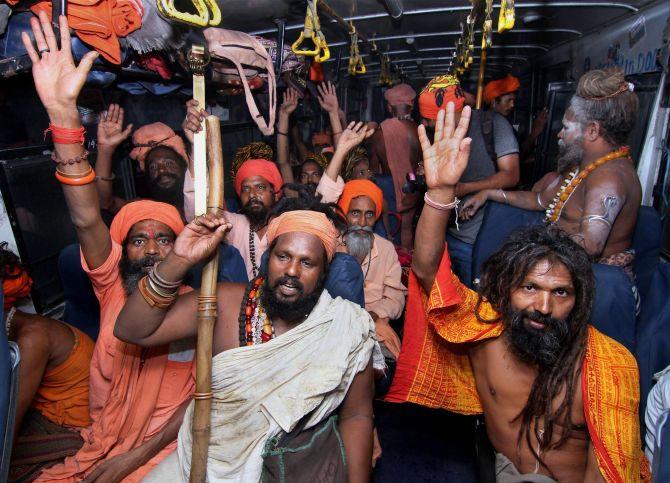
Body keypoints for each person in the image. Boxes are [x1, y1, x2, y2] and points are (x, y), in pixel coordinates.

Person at [386, 104, 649, 481]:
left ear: (580, 301)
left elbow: (610, 471)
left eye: (561, 293)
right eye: (530, 288)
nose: (543, 306)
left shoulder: (608, 366)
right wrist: (441, 191)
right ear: (505, 291)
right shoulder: (485, 330)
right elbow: (428, 271)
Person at [22, 14, 196, 480]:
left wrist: (131, 460)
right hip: (104, 436)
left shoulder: (201, 307)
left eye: (165, 239)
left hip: (163, 451)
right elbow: (84, 216)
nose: (153, 250)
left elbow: (203, 402)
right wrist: (63, 118)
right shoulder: (113, 290)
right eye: (139, 240)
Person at [114, 209, 382, 482]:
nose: (291, 271)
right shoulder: (223, 303)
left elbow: (357, 416)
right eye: (283, 256)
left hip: (291, 464)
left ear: (323, 272)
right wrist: (178, 259)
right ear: (269, 258)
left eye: (307, 263)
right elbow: (131, 330)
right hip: (205, 456)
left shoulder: (344, 325)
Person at [462, 68, 641, 284]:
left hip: (596, 285)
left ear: (592, 130)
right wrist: (488, 193)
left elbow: (591, 245)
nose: (559, 134)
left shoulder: (608, 177)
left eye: (566, 127)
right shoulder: (583, 167)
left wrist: (531, 248)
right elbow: (540, 200)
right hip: (563, 268)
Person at [3, 244, 93, 481]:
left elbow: (9, 422)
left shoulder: (33, 337)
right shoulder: (15, 331)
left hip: (74, 421)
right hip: (46, 411)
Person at [419, 74, 520, 286]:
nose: (425, 123)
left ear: (447, 113)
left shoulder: (492, 124)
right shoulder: (434, 134)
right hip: (447, 233)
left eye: (429, 117)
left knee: (474, 298)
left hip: (478, 238)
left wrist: (466, 188)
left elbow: (512, 175)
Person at [338, 180, 407, 359]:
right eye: (355, 213)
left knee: (386, 366)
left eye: (369, 214)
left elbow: (395, 296)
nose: (362, 222)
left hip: (376, 323)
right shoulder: (333, 246)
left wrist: (375, 314)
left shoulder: (385, 248)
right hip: (337, 323)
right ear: (345, 213)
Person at [95, 105, 192, 219]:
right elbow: (105, 203)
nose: (161, 170)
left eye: (169, 163)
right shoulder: (145, 210)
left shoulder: (207, 199)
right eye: (153, 167)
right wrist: (105, 150)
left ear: (184, 165)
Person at [369, 83, 422, 250]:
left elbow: (373, 167)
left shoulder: (379, 134)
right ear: (411, 105)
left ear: (389, 106)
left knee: (388, 228)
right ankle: (407, 265)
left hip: (388, 187)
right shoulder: (419, 131)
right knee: (407, 226)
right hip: (413, 185)